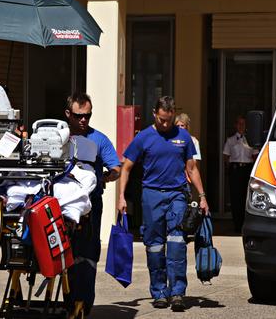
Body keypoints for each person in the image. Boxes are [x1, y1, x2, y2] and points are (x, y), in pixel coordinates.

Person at [117, 96, 208, 312]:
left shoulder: (183, 137)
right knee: (155, 245)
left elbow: (192, 168)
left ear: (174, 115)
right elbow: (126, 167)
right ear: (154, 114)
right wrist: (121, 196)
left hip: (177, 194)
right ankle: (159, 292)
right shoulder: (144, 138)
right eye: (161, 120)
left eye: (169, 120)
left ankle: (177, 292)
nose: (165, 125)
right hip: (151, 196)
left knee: (177, 243)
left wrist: (202, 196)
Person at [64, 92, 121, 317]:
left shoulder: (99, 139)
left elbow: (115, 168)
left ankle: (83, 301)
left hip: (90, 205)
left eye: (87, 115)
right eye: (79, 116)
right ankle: (69, 300)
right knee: (65, 254)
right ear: (68, 113)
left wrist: (103, 178)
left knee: (86, 254)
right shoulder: (58, 136)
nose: (83, 120)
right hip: (62, 206)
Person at [223, 115, 257, 233]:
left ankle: (246, 225)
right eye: (239, 123)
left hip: (247, 169)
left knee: (246, 198)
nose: (241, 126)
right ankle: (237, 225)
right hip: (236, 170)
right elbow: (226, 157)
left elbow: (255, 156)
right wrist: (231, 169)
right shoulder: (230, 140)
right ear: (235, 125)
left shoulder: (251, 140)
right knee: (236, 198)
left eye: (243, 124)